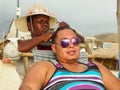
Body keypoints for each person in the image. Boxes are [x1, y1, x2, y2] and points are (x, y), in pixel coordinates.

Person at [19, 26, 120, 90]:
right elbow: (28, 87)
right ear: (54, 48)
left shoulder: (96, 68)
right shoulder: (45, 67)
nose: (71, 45)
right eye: (64, 42)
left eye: (75, 41)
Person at [3, 4, 69, 80]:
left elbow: (81, 42)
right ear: (29, 26)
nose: (45, 25)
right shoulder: (23, 41)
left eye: (47, 22)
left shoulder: (54, 42)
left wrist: (67, 30)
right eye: (40, 22)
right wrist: (43, 38)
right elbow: (10, 51)